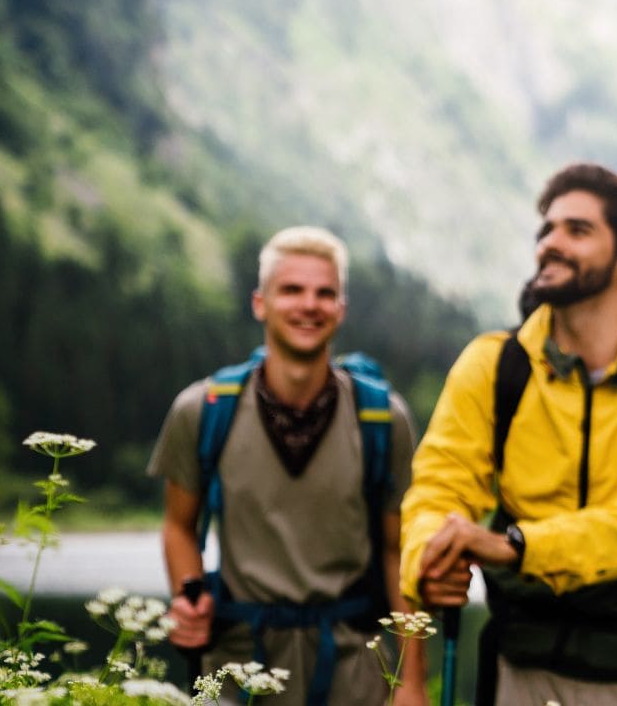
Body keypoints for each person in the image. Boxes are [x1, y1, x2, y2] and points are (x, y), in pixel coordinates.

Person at [402, 164, 617, 706]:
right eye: (547, 230)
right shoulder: (494, 365)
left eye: (576, 231)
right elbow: (437, 488)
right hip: (523, 666)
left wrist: (515, 546)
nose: (550, 244)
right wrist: (429, 554)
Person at [152, 226, 423, 705]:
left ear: (340, 310)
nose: (309, 305)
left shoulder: (383, 419)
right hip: (239, 666)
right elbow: (178, 526)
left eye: (325, 293)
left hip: (355, 671)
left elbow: (396, 553)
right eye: (292, 290)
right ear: (261, 303)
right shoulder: (203, 411)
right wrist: (188, 595)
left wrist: (410, 683)